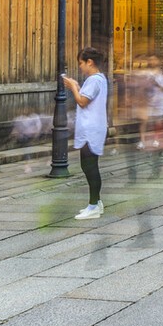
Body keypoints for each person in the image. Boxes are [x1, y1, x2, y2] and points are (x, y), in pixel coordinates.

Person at [61, 47, 109, 221]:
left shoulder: (94, 80)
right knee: (89, 165)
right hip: (94, 127)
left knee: (89, 166)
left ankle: (93, 205)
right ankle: (96, 202)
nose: (80, 66)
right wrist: (77, 86)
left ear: (90, 62)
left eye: (81, 63)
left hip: (91, 128)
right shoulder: (99, 79)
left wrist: (73, 86)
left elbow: (82, 101)